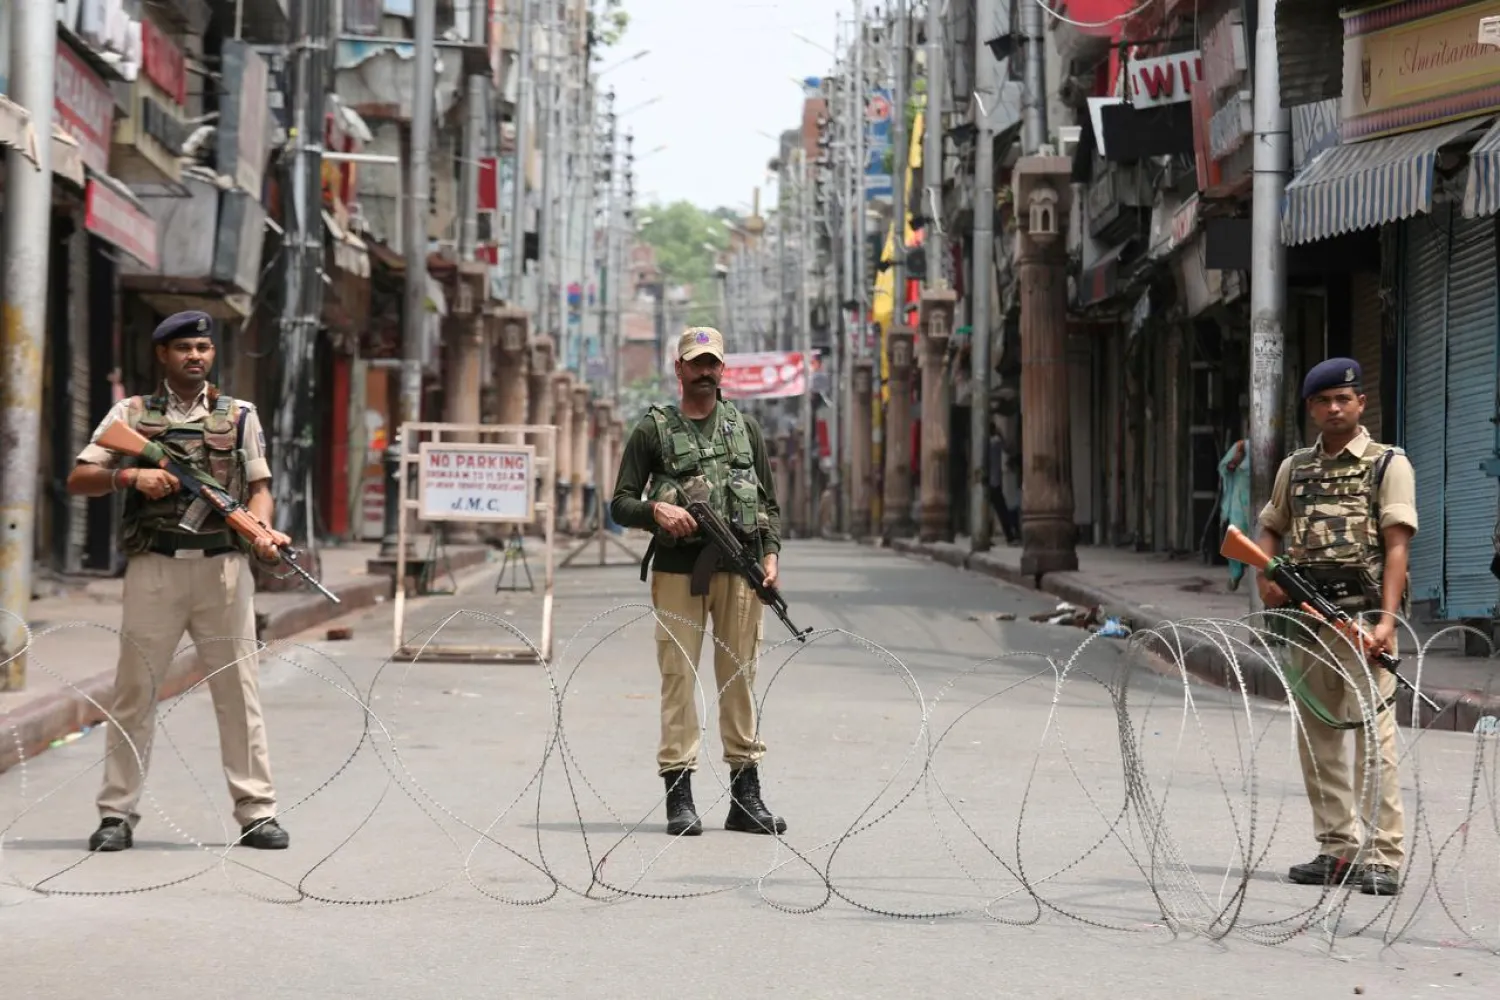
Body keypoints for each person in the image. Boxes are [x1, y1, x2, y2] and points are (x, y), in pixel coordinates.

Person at [66, 310, 292, 853]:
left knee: (239, 696)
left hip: (223, 569)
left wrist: (260, 529)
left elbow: (259, 486)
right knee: (135, 693)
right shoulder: (132, 414)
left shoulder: (240, 415)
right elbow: (79, 477)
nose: (196, 356)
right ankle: (116, 813)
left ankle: (257, 811)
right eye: (185, 348)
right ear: (163, 355)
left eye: (204, 348)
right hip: (155, 570)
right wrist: (130, 474)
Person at [610, 326, 787, 838]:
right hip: (677, 571)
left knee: (740, 681)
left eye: (714, 364)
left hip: (741, 571)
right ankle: (678, 797)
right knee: (679, 680)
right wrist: (656, 510)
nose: (706, 372)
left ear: (722, 370)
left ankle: (745, 798)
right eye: (697, 363)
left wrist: (771, 556)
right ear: (679, 369)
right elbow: (620, 502)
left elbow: (769, 505)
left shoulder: (745, 428)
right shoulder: (654, 430)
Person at [1254, 357, 1416, 897]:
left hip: (1363, 619)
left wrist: (1388, 622)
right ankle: (1337, 849)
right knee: (1319, 737)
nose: (1334, 408)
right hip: (1308, 622)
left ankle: (1383, 856)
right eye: (1323, 401)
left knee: (1375, 738)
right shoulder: (1295, 468)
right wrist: (1266, 576)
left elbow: (1397, 547)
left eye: (1343, 399)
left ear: (1360, 403)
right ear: (1311, 408)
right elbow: (1270, 528)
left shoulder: (1387, 464)